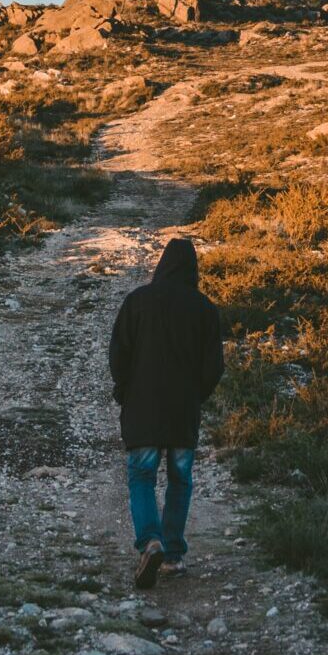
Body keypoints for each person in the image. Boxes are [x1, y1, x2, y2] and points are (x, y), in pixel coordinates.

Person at [108, 236, 224, 589]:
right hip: (182, 412)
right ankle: (172, 554)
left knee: (142, 476)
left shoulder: (137, 302)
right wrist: (196, 396)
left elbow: (118, 355)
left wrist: (125, 391)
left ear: (161, 265)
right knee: (179, 481)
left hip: (142, 408)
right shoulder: (205, 309)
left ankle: (150, 541)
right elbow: (214, 367)